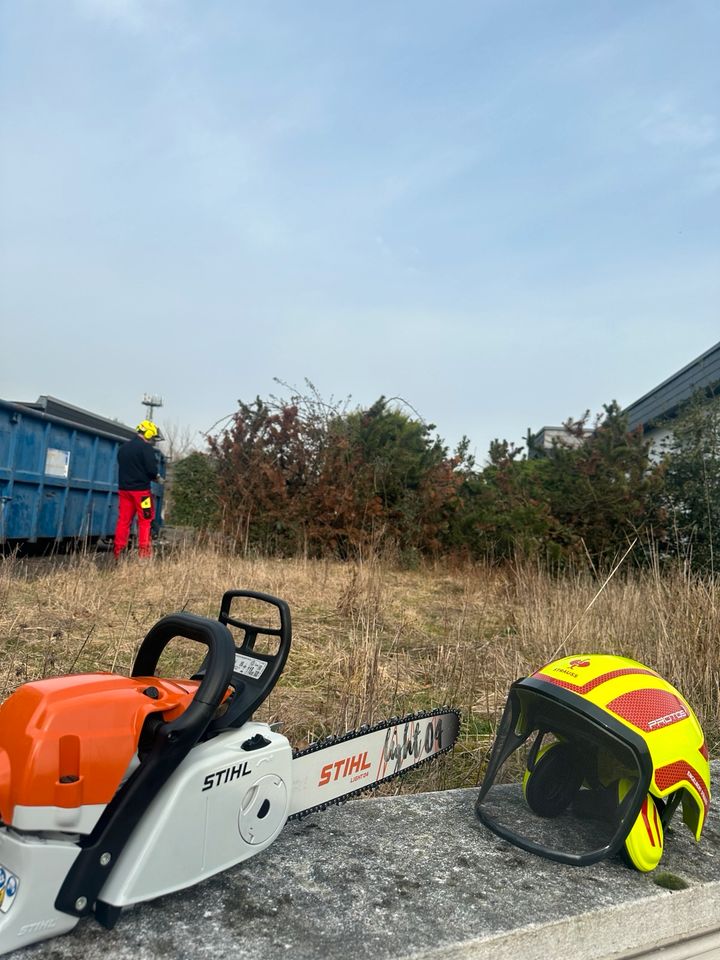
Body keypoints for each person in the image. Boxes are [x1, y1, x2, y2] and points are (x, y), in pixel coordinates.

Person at [113, 420, 162, 559]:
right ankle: (144, 554)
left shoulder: (123, 447)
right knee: (145, 521)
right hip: (142, 493)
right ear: (148, 433)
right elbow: (152, 470)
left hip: (124, 491)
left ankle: (118, 552)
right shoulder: (146, 449)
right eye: (152, 437)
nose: (152, 440)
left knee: (123, 521)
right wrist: (157, 477)